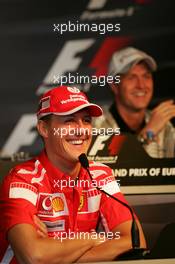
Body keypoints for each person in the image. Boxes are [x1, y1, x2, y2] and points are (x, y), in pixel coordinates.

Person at [0, 85, 146, 263]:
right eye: (69, 121)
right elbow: (34, 257)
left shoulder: (101, 175)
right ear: (44, 129)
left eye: (86, 120)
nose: (81, 130)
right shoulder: (21, 180)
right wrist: (92, 238)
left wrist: (56, 252)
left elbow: (135, 242)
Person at [94, 47, 175, 158]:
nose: (141, 85)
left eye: (146, 76)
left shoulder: (164, 125)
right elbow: (115, 171)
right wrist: (148, 133)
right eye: (132, 77)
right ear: (114, 85)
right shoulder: (95, 125)